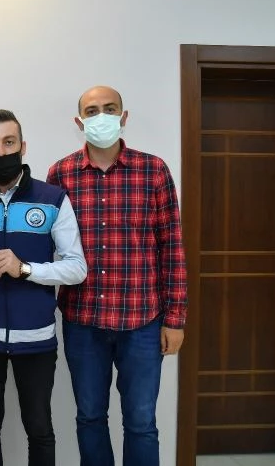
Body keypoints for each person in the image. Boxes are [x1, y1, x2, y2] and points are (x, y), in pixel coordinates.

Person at [46, 85, 188, 466]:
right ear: (79, 122)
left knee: (141, 423)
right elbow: (45, 244)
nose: (101, 117)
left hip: (142, 320)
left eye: (110, 109)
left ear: (123, 117)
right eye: (92, 111)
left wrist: (175, 319)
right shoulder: (60, 174)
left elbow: (171, 246)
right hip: (83, 320)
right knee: (90, 417)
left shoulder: (154, 170)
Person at [0, 109, 88, 466]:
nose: (1, 152)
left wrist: (25, 269)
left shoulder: (53, 199)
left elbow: (77, 268)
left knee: (39, 428)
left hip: (36, 337)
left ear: (23, 146)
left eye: (8, 142)